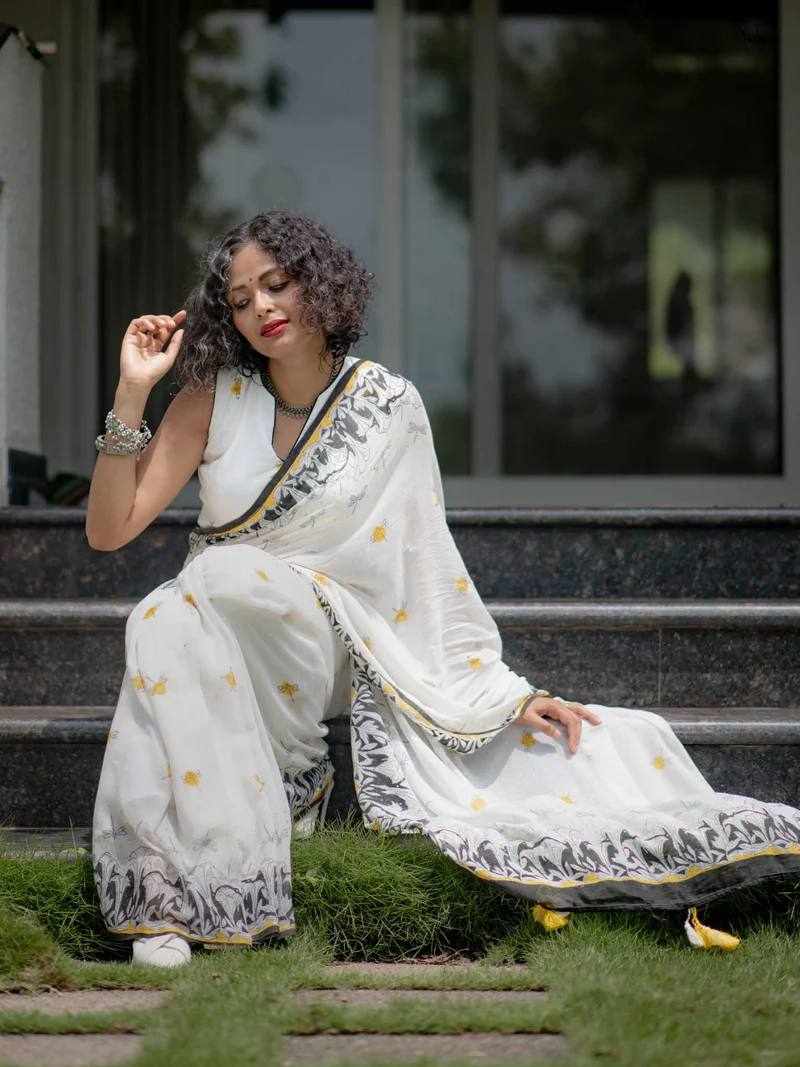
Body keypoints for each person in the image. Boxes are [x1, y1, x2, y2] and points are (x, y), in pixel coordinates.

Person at [88, 210, 800, 969]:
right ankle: (167, 899)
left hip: (327, 640)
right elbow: (108, 529)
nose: (261, 307)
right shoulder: (211, 399)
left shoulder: (387, 406)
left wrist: (503, 693)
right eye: (240, 300)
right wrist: (133, 393)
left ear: (317, 284)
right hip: (216, 628)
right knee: (162, 614)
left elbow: (426, 563)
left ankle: (252, 825)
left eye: (277, 283)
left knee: (216, 577)